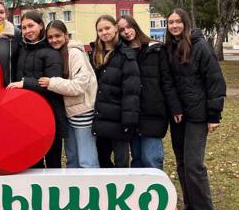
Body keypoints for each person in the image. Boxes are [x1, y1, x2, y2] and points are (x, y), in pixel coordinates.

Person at [166, 8, 226, 210]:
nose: (174, 26)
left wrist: (214, 115)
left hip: (198, 116)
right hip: (179, 116)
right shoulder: (170, 48)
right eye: (170, 22)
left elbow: (215, 82)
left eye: (178, 22)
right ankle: (190, 208)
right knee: (181, 163)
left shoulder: (200, 47)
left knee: (193, 164)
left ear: (186, 23)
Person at [117, 15, 182, 170]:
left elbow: (167, 81)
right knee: (137, 159)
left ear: (135, 26)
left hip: (153, 112)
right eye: (121, 30)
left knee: (151, 159)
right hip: (132, 114)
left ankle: (156, 193)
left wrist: (175, 107)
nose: (126, 32)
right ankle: (139, 194)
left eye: (128, 27)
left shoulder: (156, 49)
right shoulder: (122, 53)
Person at [7, 10, 67, 168]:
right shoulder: (22, 50)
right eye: (24, 27)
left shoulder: (51, 53)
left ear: (41, 25)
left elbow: (52, 85)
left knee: (53, 162)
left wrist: (25, 83)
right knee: (33, 162)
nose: (27, 31)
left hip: (49, 114)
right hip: (27, 116)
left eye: (31, 26)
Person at [38, 21, 99, 168]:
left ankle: (90, 187)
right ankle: (76, 189)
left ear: (66, 35)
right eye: (50, 37)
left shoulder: (75, 54)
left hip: (82, 111)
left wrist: (51, 83)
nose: (54, 40)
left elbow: (79, 86)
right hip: (69, 112)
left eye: (58, 36)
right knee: (72, 158)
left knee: (86, 159)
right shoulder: (57, 54)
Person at [91, 15, 141, 168]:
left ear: (115, 28)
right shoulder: (95, 54)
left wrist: (129, 120)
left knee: (121, 163)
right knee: (102, 161)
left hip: (119, 120)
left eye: (107, 28)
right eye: (100, 30)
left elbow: (131, 91)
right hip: (101, 118)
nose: (104, 32)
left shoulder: (126, 55)